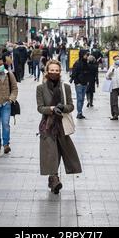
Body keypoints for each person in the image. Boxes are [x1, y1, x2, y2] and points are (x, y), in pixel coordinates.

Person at [36, 59, 82, 194]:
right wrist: (51, 108)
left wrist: (62, 107)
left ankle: (52, 179)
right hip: (48, 126)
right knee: (51, 153)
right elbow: (40, 108)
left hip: (62, 125)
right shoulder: (40, 88)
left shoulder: (65, 87)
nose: (54, 73)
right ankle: (54, 179)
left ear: (60, 72)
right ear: (47, 72)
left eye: (57, 70)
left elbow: (71, 106)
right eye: (52, 70)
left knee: (62, 153)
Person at [70, 49, 90, 119]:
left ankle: (80, 112)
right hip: (79, 84)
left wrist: (87, 81)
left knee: (82, 99)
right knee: (79, 98)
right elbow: (74, 73)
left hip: (85, 83)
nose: (86, 56)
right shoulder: (77, 63)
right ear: (82, 55)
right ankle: (79, 112)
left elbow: (88, 73)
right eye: (85, 54)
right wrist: (76, 82)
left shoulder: (86, 63)